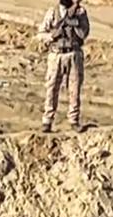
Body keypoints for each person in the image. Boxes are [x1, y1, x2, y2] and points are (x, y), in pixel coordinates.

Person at [37, 0, 90, 133]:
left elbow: (84, 34)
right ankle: (47, 121)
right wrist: (51, 36)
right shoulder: (52, 12)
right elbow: (41, 33)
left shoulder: (81, 12)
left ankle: (73, 120)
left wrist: (74, 19)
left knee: (74, 88)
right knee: (52, 87)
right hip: (56, 55)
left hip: (73, 54)